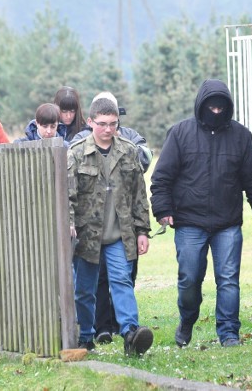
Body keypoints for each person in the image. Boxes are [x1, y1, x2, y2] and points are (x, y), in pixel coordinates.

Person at [150, 78, 252, 348]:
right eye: (211, 108)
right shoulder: (180, 133)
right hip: (189, 221)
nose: (215, 113)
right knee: (189, 278)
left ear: (227, 108)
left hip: (227, 222)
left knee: (228, 279)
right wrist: (163, 209)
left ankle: (229, 333)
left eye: (220, 109)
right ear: (201, 106)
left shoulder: (241, 136)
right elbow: (162, 177)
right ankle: (187, 318)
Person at [67, 96, 153, 356]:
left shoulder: (128, 151)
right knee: (85, 290)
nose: (108, 129)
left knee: (121, 281)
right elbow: (67, 195)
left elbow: (139, 194)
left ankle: (131, 333)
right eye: (102, 124)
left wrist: (142, 230)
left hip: (119, 234)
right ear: (91, 122)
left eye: (113, 124)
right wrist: (69, 224)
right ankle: (85, 337)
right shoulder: (77, 152)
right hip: (86, 235)